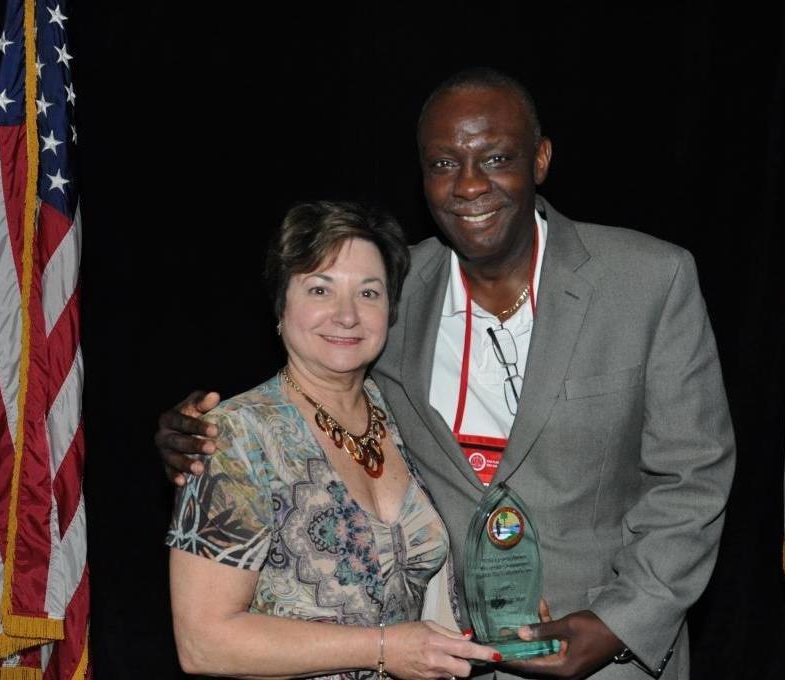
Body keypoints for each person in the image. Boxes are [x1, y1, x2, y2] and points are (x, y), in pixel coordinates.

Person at [158, 68, 736, 680]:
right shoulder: (397, 291)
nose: (469, 185)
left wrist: (618, 622)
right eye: (443, 164)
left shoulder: (648, 280)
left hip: (605, 656)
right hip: (446, 660)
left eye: (496, 158)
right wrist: (198, 435)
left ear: (540, 159)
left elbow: (693, 475)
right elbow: (305, 388)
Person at [165, 200, 499, 679]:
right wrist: (382, 648)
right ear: (281, 305)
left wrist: (504, 611)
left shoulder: (407, 413)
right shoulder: (236, 435)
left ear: (391, 310)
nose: (346, 315)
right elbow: (203, 643)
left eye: (368, 293)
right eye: (320, 289)